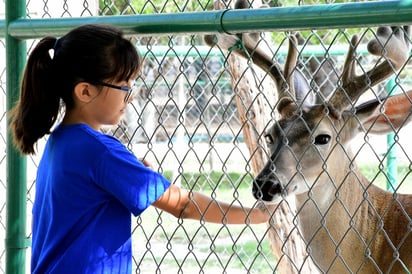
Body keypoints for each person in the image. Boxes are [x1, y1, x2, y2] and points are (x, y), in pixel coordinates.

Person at [9, 24, 270, 274]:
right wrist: (256, 215)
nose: (130, 95)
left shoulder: (61, 142)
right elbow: (183, 205)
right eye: (123, 85)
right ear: (85, 91)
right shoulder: (101, 151)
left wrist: (136, 174)